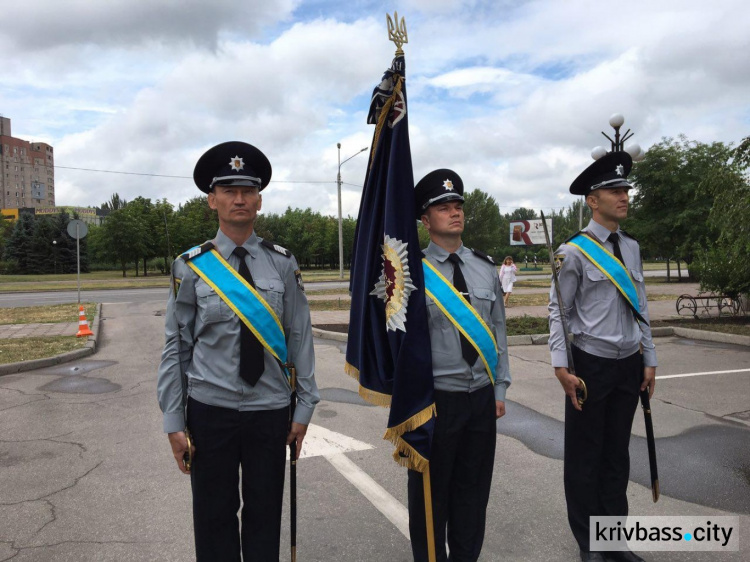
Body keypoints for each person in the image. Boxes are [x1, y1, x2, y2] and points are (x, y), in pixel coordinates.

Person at [156, 141, 320, 561]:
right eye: (229, 190)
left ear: (260, 200)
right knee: (213, 524)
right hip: (210, 411)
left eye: (248, 190)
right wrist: (174, 419)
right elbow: (177, 346)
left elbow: (300, 337)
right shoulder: (190, 266)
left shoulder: (283, 263)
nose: (240, 198)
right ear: (212, 200)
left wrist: (303, 410)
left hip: (270, 411)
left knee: (265, 521)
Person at [548, 151, 656, 562]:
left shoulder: (630, 247)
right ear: (593, 200)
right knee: (585, 459)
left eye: (625, 188)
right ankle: (589, 545)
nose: (624, 196)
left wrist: (650, 358)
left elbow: (641, 306)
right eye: (615, 190)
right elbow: (559, 310)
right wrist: (561, 366)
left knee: (616, 457)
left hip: (629, 364)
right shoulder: (572, 251)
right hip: (589, 365)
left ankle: (614, 541)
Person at [408, 169, 511, 562]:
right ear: (425, 219)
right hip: (435, 401)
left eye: (457, 206)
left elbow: (498, 332)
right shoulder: (411, 273)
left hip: (480, 400)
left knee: (472, 494)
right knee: (431, 499)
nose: (454, 213)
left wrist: (499, 388)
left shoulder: (485, 268)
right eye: (443, 207)